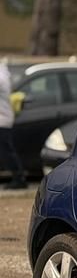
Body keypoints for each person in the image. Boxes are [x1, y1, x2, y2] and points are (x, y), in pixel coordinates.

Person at [0, 59, 26, 190]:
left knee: (6, 151)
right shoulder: (4, 74)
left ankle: (19, 178)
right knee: (6, 151)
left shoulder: (1, 77)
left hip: (2, 120)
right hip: (4, 118)